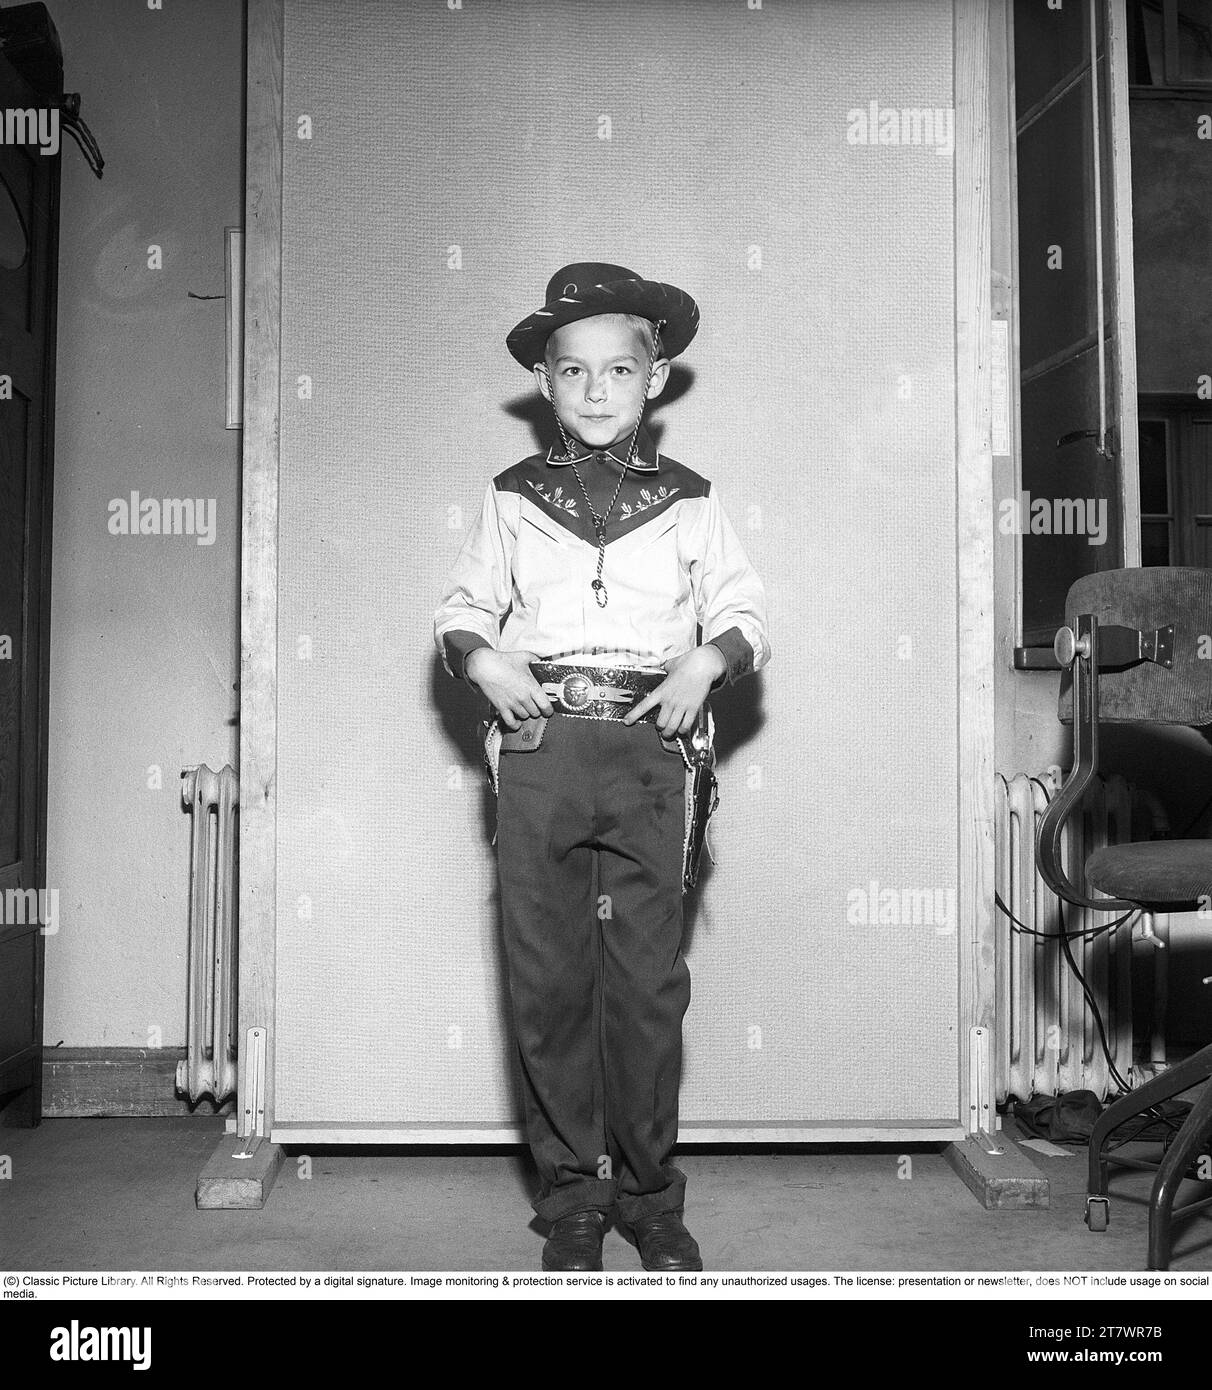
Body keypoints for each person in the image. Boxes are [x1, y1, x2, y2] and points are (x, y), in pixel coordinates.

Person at [434, 261, 770, 1272]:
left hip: (652, 760)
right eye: (572, 371)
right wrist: (482, 656)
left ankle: (651, 1196)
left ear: (654, 379)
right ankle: (573, 1195)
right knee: (547, 978)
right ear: (545, 381)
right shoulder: (511, 500)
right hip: (542, 752)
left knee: (646, 985)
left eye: (618, 369)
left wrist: (708, 660)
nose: (594, 389)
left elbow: (747, 612)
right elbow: (459, 609)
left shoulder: (690, 502)